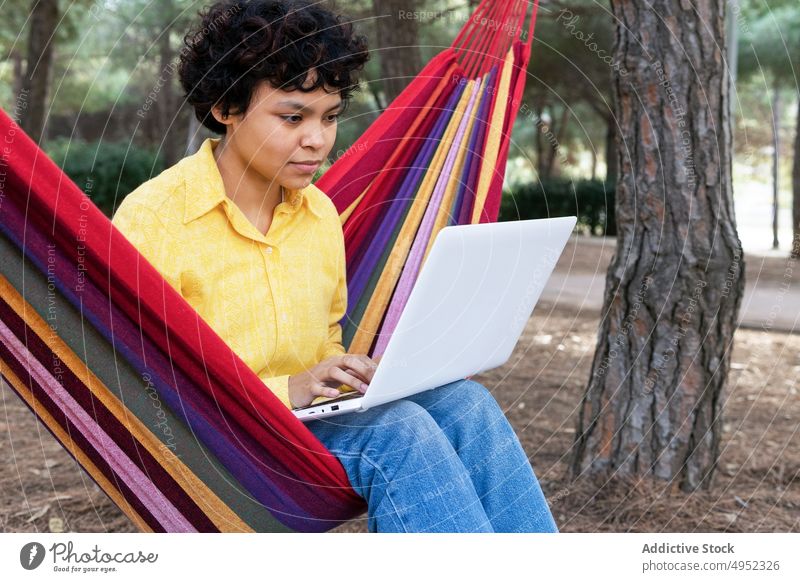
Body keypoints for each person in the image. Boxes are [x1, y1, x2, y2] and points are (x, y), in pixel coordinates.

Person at [112, 0, 557, 533]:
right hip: (220, 441)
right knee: (401, 433)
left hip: (307, 428)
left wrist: (345, 374)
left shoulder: (319, 214)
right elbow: (141, 382)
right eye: (293, 117)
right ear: (227, 108)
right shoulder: (155, 220)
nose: (318, 140)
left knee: (466, 404)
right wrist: (288, 391)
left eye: (329, 117)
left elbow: (324, 339)